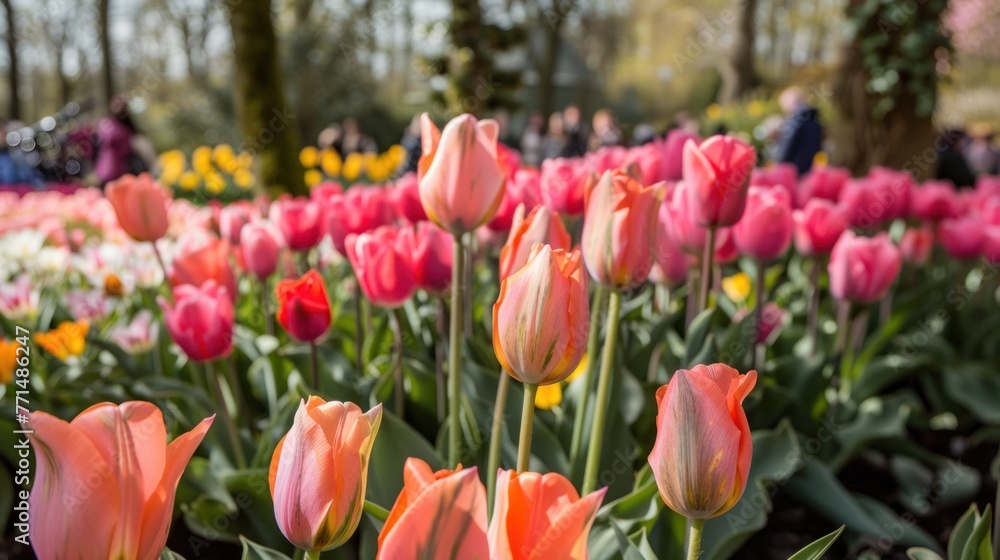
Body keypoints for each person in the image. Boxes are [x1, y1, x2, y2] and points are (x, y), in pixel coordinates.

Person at [94, 96, 158, 186]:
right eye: (116, 104)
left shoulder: (128, 129)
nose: (119, 107)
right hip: (109, 171)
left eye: (122, 105)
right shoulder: (108, 125)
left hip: (124, 171)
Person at [775, 87, 823, 175]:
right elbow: (819, 145)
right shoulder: (814, 119)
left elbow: (787, 147)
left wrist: (778, 165)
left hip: (793, 170)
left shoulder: (794, 121)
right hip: (810, 168)